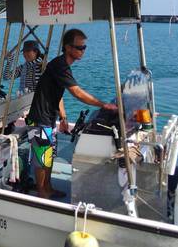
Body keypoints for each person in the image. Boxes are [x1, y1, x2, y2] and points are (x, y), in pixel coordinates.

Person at [26, 29, 117, 199]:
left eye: (84, 48)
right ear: (68, 47)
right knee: (41, 156)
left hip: (48, 118)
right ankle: (41, 192)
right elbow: (77, 92)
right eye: (79, 47)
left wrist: (63, 117)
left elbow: (57, 94)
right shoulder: (60, 65)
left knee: (49, 155)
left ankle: (48, 187)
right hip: (38, 119)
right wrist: (103, 104)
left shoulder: (62, 66)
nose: (82, 50)